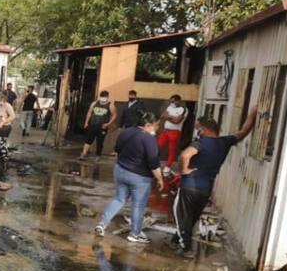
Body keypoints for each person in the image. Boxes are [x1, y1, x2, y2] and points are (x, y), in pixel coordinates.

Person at [172, 108, 259, 258]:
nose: (197, 132)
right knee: (191, 217)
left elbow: (185, 155)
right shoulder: (225, 142)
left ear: (204, 129)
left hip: (189, 185)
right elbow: (243, 131)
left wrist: (183, 170)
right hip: (206, 188)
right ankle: (176, 240)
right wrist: (252, 114)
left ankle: (186, 249)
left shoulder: (200, 143)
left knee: (182, 215)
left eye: (198, 129)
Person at [94, 112, 165, 244]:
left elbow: (118, 149)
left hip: (121, 170)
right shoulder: (149, 139)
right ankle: (135, 234)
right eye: (156, 125)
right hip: (140, 177)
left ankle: (102, 224)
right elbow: (154, 163)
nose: (157, 128)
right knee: (138, 205)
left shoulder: (125, 132)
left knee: (119, 199)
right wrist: (160, 179)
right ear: (148, 125)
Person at [80, 91, 115, 158]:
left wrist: (108, 124)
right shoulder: (94, 103)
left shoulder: (110, 105)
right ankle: (83, 153)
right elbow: (89, 112)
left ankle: (98, 155)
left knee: (100, 141)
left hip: (102, 127)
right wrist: (86, 122)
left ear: (107, 97)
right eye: (102, 97)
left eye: (105, 97)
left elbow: (114, 115)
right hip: (93, 125)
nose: (103, 98)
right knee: (88, 140)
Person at [157, 94, 188, 169]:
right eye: (170, 101)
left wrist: (168, 117)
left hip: (175, 132)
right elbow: (162, 116)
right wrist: (172, 117)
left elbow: (177, 121)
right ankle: (153, 161)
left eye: (173, 101)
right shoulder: (170, 107)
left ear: (178, 101)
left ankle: (168, 166)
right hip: (166, 131)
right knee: (157, 146)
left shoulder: (183, 109)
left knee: (172, 150)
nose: (172, 103)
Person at [0, 92, 16, 164]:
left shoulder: (8, 106)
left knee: (2, 144)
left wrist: (2, 123)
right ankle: (0, 160)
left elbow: (13, 116)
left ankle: (5, 161)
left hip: (5, 127)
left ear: (3, 98)